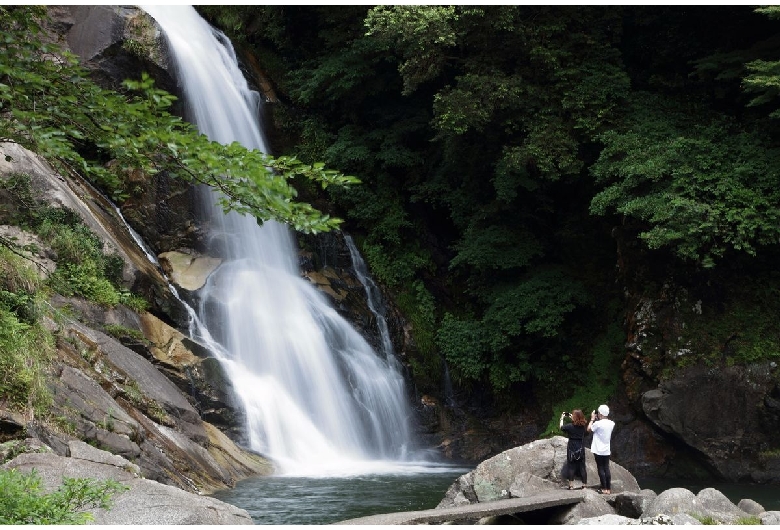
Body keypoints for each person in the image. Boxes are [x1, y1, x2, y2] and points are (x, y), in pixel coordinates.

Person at [588, 404, 616, 494]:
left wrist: (592, 419)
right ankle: (608, 488)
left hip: (598, 449)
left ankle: (603, 488)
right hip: (606, 449)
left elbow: (589, 429)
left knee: (600, 467)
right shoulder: (612, 423)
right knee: (606, 468)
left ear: (600, 414)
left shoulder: (597, 424)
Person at [559, 409, 587, 490]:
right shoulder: (583, 427)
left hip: (571, 447)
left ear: (574, 417)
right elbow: (579, 424)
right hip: (580, 447)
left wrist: (562, 418)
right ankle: (584, 485)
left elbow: (561, 427)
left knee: (571, 466)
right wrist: (574, 418)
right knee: (582, 467)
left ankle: (571, 485)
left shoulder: (570, 427)